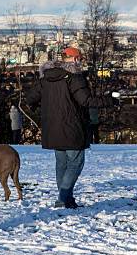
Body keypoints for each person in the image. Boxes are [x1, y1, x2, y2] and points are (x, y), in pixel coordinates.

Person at [26, 47, 118, 209]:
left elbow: (30, 98)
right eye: (81, 58)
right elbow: (86, 101)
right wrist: (110, 100)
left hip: (52, 127)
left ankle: (67, 200)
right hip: (72, 126)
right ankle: (63, 198)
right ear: (75, 59)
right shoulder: (75, 78)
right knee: (76, 163)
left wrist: (39, 107)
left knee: (61, 163)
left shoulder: (46, 77)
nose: (81, 62)